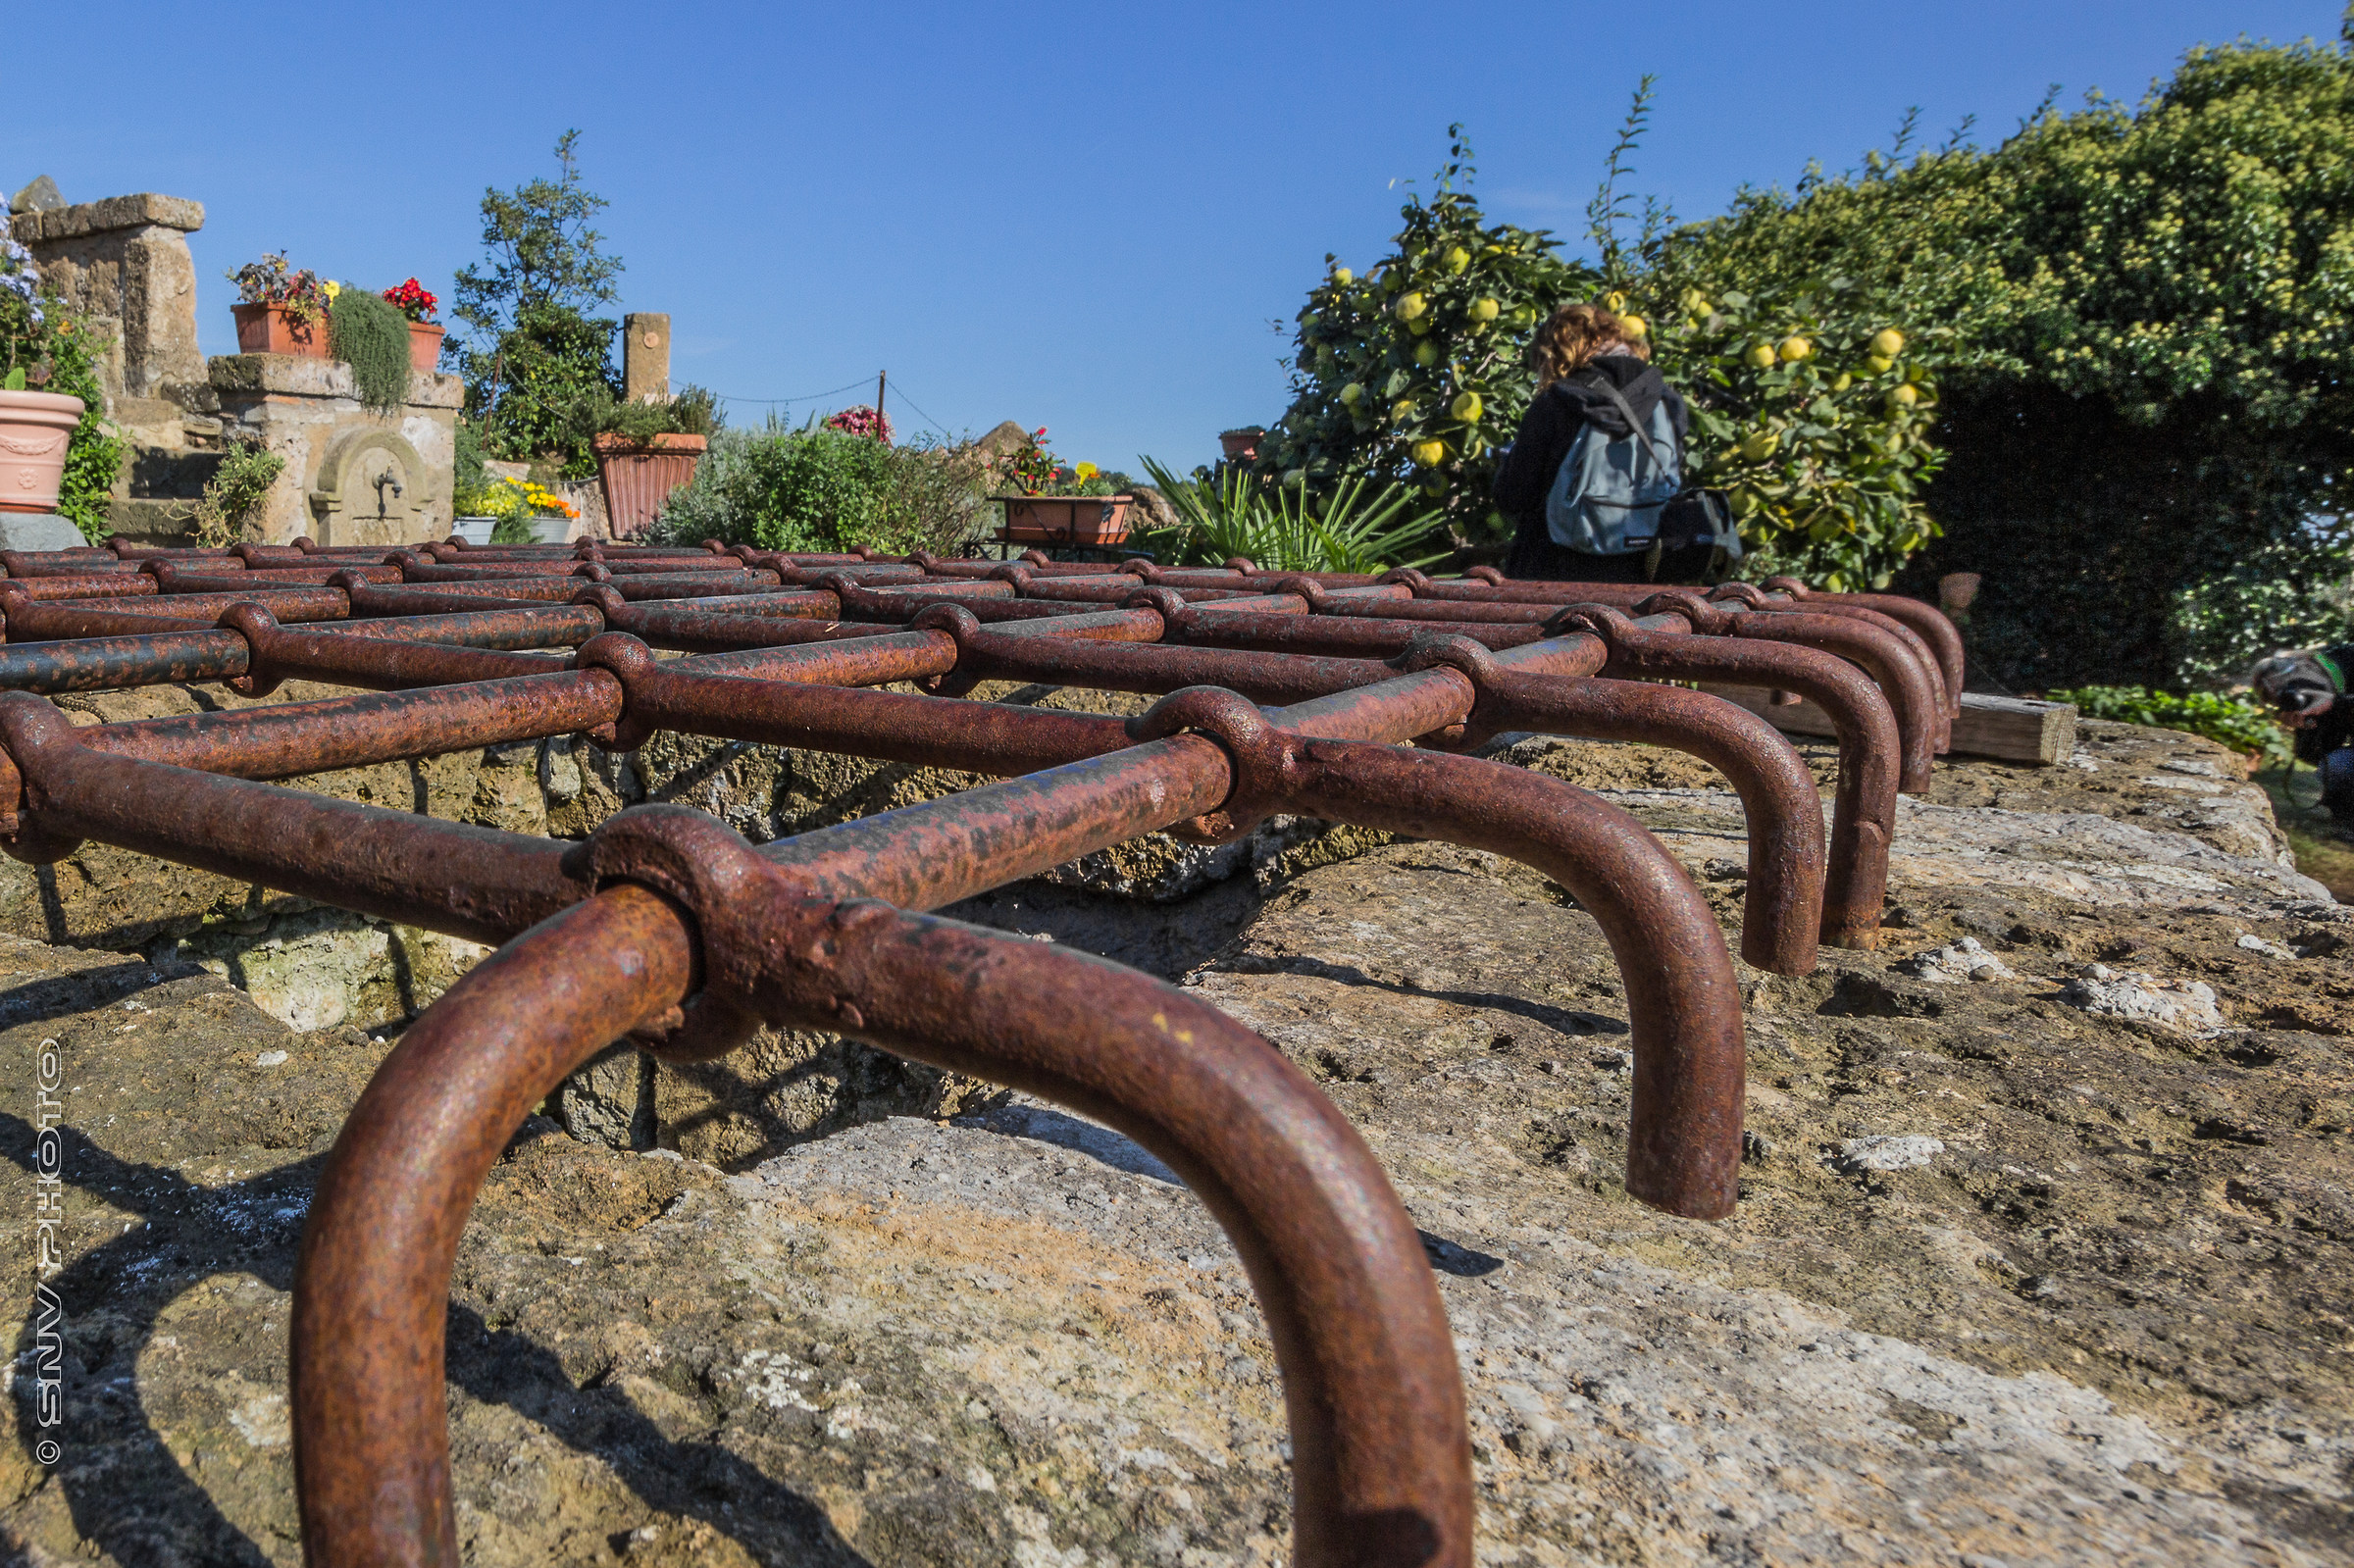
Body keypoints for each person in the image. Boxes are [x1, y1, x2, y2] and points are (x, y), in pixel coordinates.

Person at [1491, 301, 1712, 583]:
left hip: (1551, 575)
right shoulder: (1668, 403)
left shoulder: (1559, 401)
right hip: (1641, 575)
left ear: (1560, 352)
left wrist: (1508, 461)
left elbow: (1513, 495)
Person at [2253, 645, 2354, 827]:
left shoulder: (2348, 658)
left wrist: (2336, 704)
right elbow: (2313, 755)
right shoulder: (2322, 690)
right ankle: (2346, 822)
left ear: (2306, 663)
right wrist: (2307, 724)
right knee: (2336, 766)